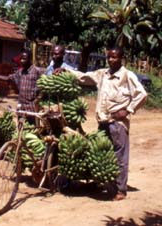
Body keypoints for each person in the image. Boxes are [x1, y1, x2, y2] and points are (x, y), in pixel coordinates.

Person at [55, 47, 147, 201]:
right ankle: (107, 184)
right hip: (103, 122)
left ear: (121, 58)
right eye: (109, 57)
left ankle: (121, 190)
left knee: (120, 157)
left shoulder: (127, 75)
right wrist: (66, 71)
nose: (111, 60)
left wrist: (128, 109)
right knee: (104, 154)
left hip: (117, 123)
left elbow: (142, 94)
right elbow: (84, 77)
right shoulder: (102, 74)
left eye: (114, 57)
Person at [0, 49, 44, 124]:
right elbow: (8, 78)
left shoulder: (37, 71)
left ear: (30, 59)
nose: (22, 60)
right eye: (21, 58)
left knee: (32, 127)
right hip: (21, 105)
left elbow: (44, 85)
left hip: (32, 106)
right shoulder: (20, 72)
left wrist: (38, 98)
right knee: (20, 126)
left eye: (24, 59)